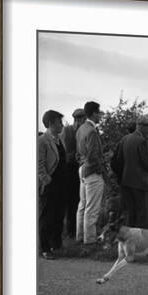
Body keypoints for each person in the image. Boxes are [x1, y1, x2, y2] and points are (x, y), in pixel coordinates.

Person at [75, 101, 107, 244]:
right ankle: (90, 240)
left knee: (82, 206)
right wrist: (101, 170)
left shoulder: (81, 128)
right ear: (94, 113)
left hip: (82, 168)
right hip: (92, 171)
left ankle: (80, 236)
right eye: (99, 113)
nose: (100, 116)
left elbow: (79, 152)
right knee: (92, 208)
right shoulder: (92, 131)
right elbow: (94, 156)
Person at [38, 110, 67, 259]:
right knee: (47, 216)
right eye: (59, 122)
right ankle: (44, 248)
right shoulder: (42, 140)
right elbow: (39, 163)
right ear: (50, 124)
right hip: (51, 184)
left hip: (61, 183)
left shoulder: (58, 139)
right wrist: (45, 179)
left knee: (58, 215)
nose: (62, 125)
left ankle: (56, 244)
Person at [117, 115, 148, 228]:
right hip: (139, 181)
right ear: (143, 127)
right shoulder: (142, 141)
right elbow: (146, 163)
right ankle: (142, 241)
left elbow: (119, 160)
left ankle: (129, 239)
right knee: (142, 213)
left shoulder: (125, 138)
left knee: (130, 212)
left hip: (126, 181)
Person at [61, 108, 86, 238]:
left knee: (78, 200)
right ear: (78, 119)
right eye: (82, 119)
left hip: (78, 167)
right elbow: (66, 151)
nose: (83, 121)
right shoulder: (67, 131)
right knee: (72, 200)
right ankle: (71, 229)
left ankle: (76, 229)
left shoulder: (79, 131)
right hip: (70, 168)